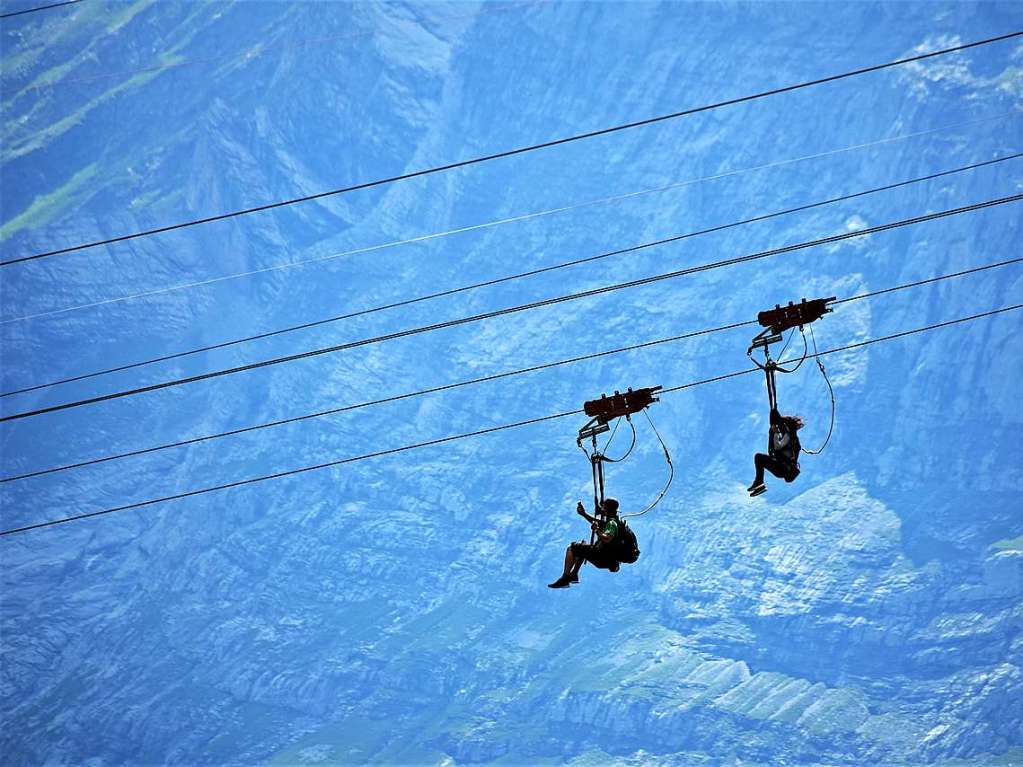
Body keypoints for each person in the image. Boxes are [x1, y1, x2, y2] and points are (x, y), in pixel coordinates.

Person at [548, 498, 622, 589]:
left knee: (572, 548)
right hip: (608, 559)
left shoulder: (612, 523)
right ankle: (574, 574)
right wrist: (584, 514)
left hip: (602, 556)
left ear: (608, 509)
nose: (603, 510)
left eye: (604, 508)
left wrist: (596, 530)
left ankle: (565, 577)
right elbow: (598, 522)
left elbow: (607, 538)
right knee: (583, 546)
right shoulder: (614, 521)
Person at [748, 407, 803, 497]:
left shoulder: (789, 437)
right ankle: (759, 483)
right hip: (782, 468)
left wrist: (775, 433)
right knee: (759, 458)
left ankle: (759, 483)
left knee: (759, 458)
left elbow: (778, 446)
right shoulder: (793, 438)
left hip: (782, 468)